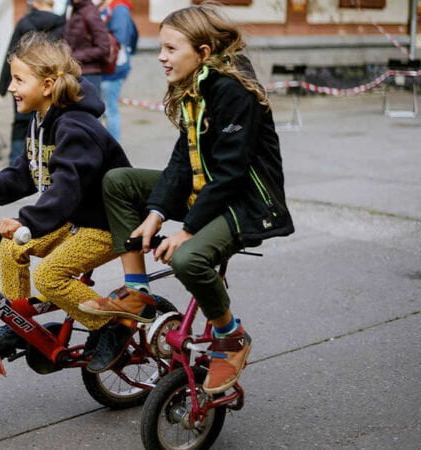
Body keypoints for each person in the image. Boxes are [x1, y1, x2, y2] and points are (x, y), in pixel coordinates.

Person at [80, 5, 294, 385]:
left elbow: (230, 174)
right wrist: (157, 213)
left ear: (204, 52)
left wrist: (187, 231)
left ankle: (231, 336)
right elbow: (183, 158)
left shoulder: (232, 90)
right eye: (160, 47)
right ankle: (137, 293)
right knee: (117, 180)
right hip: (205, 187)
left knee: (187, 259)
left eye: (170, 49)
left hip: (245, 202)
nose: (161, 57)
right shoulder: (196, 84)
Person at [0, 33, 131, 366]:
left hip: (107, 222)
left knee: (51, 277)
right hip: (74, 216)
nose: (11, 87)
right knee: (12, 249)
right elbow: (26, 171)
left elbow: (66, 187)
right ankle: (22, 325)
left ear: (48, 85)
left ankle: (113, 324)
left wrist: (28, 221)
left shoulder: (76, 127)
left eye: (19, 79)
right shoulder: (40, 122)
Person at [0, 0, 66, 162]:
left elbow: (11, 53)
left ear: (35, 3)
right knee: (49, 120)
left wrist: (4, 83)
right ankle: (47, 160)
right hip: (49, 81)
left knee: (21, 122)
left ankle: (16, 161)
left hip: (23, 80)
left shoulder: (24, 23)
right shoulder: (62, 24)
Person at [99, 0, 137, 143]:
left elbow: (122, 37)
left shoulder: (119, 8)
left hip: (114, 69)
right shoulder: (108, 7)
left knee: (110, 110)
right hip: (108, 68)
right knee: (107, 109)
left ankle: (114, 147)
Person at [64, 0, 111, 95]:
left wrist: (73, 56)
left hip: (89, 74)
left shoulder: (90, 13)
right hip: (74, 72)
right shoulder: (75, 10)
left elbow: (104, 48)